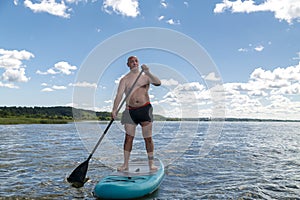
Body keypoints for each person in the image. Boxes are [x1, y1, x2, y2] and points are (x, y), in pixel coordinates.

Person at [111, 56, 161, 171]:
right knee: (128, 138)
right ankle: (125, 165)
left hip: (144, 109)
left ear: (138, 63)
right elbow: (119, 95)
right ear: (128, 64)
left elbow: (158, 83)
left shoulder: (145, 77)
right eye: (131, 61)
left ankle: (151, 164)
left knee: (148, 138)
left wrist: (148, 72)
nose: (134, 63)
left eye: (136, 61)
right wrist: (114, 109)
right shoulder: (125, 79)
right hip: (129, 111)